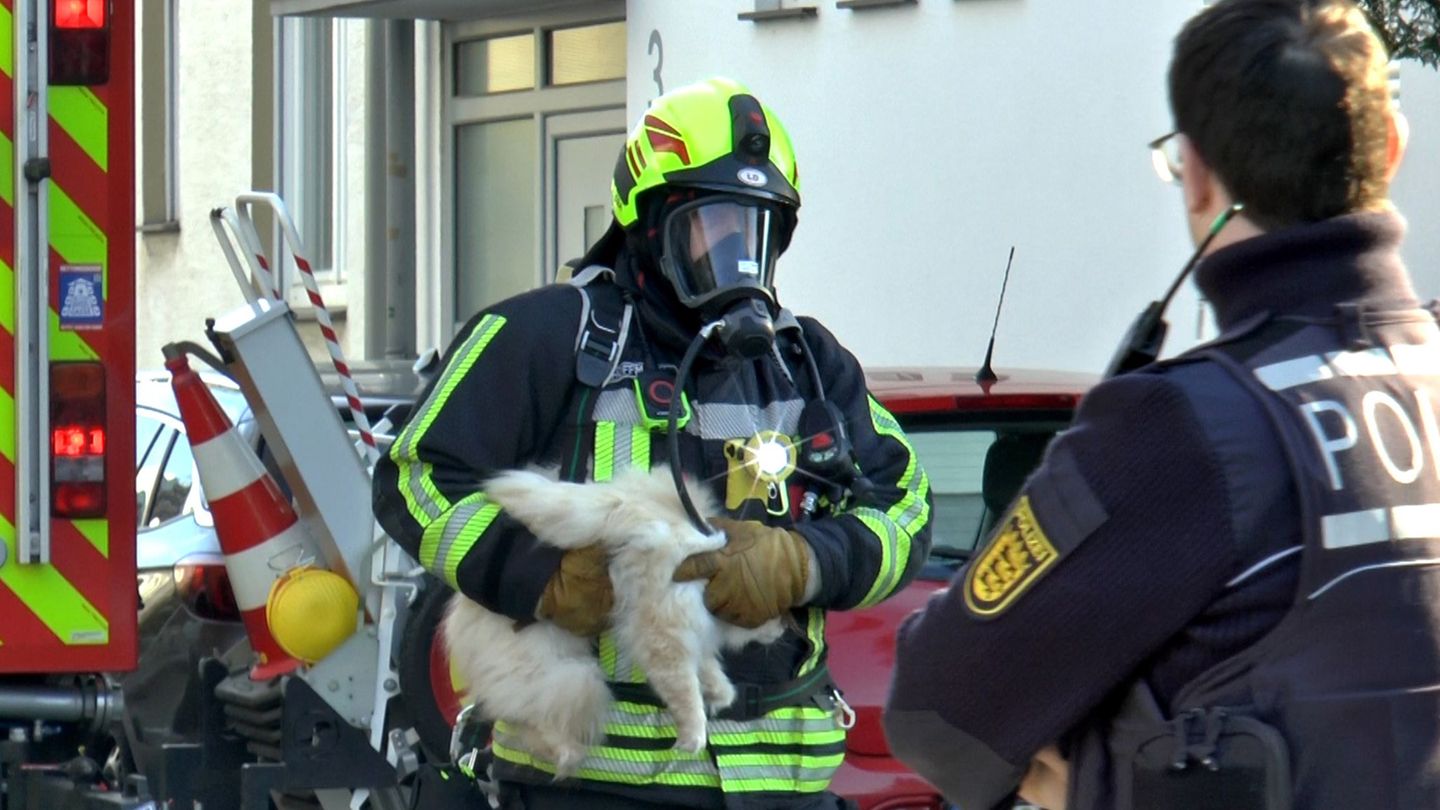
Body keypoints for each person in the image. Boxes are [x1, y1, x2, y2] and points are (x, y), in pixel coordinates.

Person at [883, 2, 1434, 809]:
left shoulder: (1187, 431)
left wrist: (1105, 778)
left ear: (1200, 174)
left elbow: (938, 711)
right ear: (1391, 147)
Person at [374, 76, 932, 810]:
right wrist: (536, 574)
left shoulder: (807, 364)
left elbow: (909, 507)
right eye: (714, 225)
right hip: (593, 784)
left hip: (786, 790)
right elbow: (414, 476)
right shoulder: (545, 338)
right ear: (648, 225)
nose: (737, 254)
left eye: (757, 230)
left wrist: (806, 561)